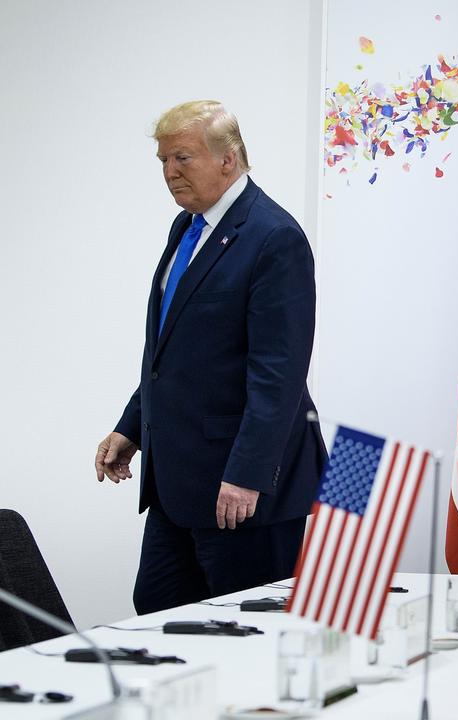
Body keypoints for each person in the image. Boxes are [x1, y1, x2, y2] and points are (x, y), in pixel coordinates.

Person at [94, 100, 325, 615]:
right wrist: (130, 427)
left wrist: (246, 474)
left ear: (229, 158)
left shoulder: (274, 238)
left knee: (247, 632)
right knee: (156, 612)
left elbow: (278, 373)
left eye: (182, 158)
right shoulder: (186, 229)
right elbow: (171, 352)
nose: (170, 173)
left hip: (243, 491)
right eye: (163, 162)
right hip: (177, 484)